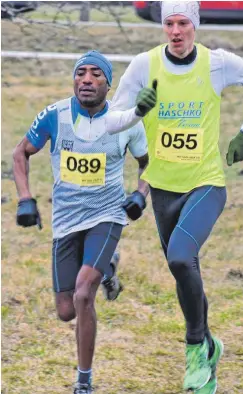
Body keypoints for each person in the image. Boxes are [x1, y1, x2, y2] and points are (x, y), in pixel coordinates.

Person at [108, 1, 243, 392]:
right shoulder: (144, 65)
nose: (176, 31)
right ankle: (210, 343)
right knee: (184, 271)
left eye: (184, 23)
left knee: (182, 257)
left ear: (194, 26)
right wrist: (136, 112)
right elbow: (111, 119)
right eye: (170, 24)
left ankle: (195, 349)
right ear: (163, 27)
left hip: (206, 183)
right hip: (163, 186)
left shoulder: (216, 63)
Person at [13, 50, 151, 394]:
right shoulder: (54, 116)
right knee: (64, 311)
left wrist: (140, 194)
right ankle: (110, 268)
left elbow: (149, 163)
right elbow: (20, 153)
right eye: (80, 74)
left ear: (109, 83)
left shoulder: (126, 121)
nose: (86, 80)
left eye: (95, 75)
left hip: (107, 214)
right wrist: (25, 199)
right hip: (66, 219)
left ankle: (84, 381)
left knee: (83, 293)